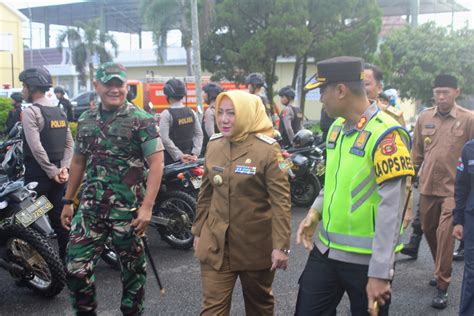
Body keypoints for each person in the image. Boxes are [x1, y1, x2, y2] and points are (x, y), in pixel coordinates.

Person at [296, 56, 414, 315]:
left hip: (367, 261)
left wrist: (381, 273)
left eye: (321, 92)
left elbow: (392, 210)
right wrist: (315, 212)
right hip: (326, 251)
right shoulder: (337, 129)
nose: (320, 99)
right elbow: (334, 182)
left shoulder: (387, 135)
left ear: (340, 90)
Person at [60, 62, 165, 315]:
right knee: (76, 268)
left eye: (119, 84)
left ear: (126, 86)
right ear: (97, 86)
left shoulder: (141, 120)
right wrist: (67, 201)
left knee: (132, 276)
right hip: (90, 210)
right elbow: (78, 161)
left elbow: (157, 163)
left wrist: (147, 207)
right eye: (109, 84)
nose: (115, 89)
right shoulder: (85, 120)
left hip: (128, 213)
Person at [192, 90, 291, 315]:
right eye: (221, 112)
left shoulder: (269, 149)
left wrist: (281, 246)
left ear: (246, 114)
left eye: (232, 113)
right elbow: (206, 193)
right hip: (217, 244)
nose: (224, 119)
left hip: (255, 246)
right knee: (212, 310)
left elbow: (281, 200)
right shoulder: (214, 144)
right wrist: (198, 231)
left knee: (259, 306)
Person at [411, 74, 474, 309]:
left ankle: (442, 285)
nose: (441, 96)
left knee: (446, 235)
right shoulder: (425, 117)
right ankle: (441, 267)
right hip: (427, 187)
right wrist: (409, 179)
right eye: (437, 91)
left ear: (456, 92)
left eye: (446, 92)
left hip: (453, 190)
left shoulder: (469, 120)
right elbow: (416, 152)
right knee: (428, 229)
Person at [19, 67, 74, 262]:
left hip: (38, 180)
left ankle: (35, 271)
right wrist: (64, 169)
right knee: (61, 222)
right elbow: (69, 143)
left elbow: (36, 148)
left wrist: (51, 171)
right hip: (60, 179)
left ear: (31, 87)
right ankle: (67, 264)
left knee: (29, 223)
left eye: (23, 86)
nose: (22, 91)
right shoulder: (58, 111)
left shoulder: (30, 112)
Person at [159, 78, 203, 165]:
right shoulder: (192, 112)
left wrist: (180, 155)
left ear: (167, 95)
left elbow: (164, 139)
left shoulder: (166, 114)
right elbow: (199, 134)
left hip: (172, 163)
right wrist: (195, 153)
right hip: (191, 160)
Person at [452, 141, 474, 315]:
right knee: (472, 271)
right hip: (472, 217)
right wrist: (458, 221)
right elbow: (461, 186)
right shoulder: (469, 149)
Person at [201, 82, 223, 153]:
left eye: (204, 92)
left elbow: (211, 136)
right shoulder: (222, 109)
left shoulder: (210, 111)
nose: (203, 95)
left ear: (210, 94)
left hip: (211, 150)